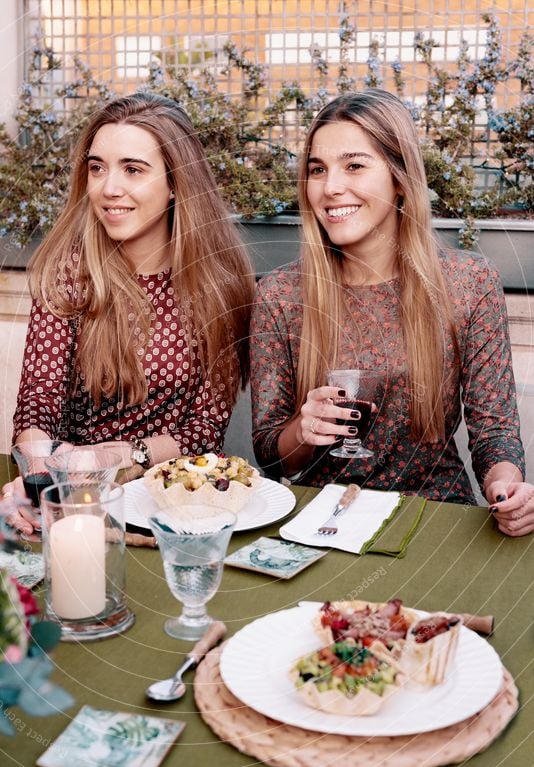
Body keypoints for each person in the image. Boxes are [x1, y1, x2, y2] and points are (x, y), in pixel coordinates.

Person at [250, 89, 534, 536]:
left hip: (435, 517)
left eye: (354, 165)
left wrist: (507, 488)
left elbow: (494, 432)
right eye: (317, 169)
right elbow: (269, 454)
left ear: (399, 177)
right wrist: (304, 430)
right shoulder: (281, 294)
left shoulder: (467, 283)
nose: (331, 187)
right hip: (320, 522)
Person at [3, 91, 254, 532]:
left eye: (133, 169)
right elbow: (37, 404)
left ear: (176, 182)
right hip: (73, 500)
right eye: (97, 168)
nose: (108, 188)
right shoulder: (69, 271)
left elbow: (204, 430)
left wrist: (120, 455)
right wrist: (39, 478)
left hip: (174, 504)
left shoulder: (221, 285)